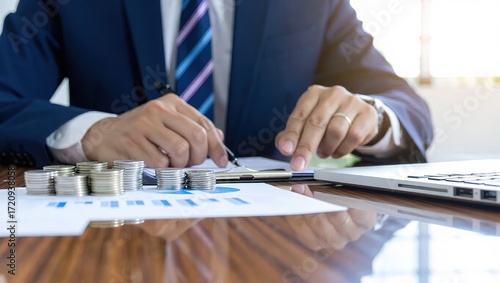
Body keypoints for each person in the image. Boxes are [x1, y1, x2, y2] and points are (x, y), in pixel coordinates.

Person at [0, 0, 433, 169]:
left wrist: (371, 116)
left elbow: (406, 106)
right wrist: (94, 133)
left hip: (274, 241)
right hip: (114, 238)